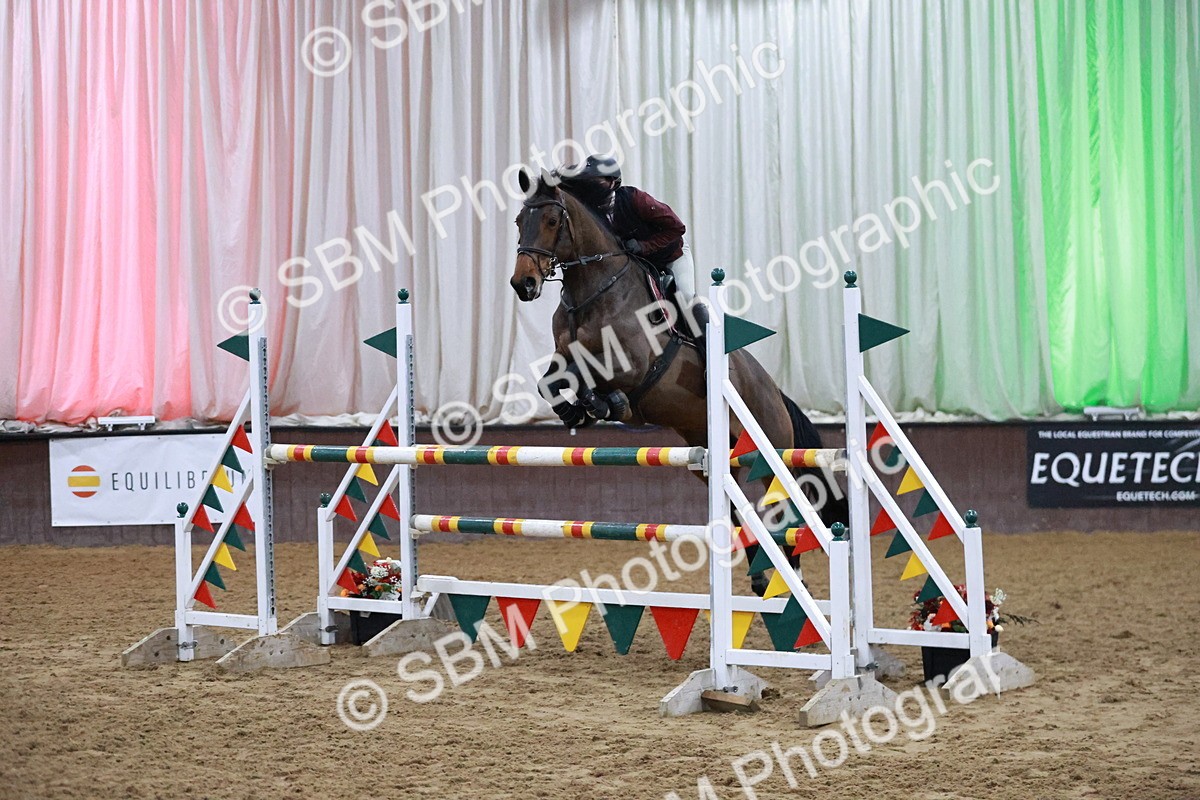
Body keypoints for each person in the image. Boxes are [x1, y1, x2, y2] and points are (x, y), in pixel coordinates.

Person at [558, 156, 701, 335]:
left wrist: (643, 246)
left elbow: (677, 228)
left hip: (671, 256)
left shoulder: (636, 199)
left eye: (596, 180)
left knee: (686, 297)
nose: (590, 185)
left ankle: (706, 346)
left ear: (612, 182)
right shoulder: (592, 211)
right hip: (638, 262)